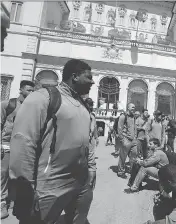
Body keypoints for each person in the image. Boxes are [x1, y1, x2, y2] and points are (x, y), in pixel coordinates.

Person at [9, 59, 96, 223]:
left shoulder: (82, 104)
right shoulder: (43, 98)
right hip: (49, 186)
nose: (92, 82)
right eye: (89, 77)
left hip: (80, 183)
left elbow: (87, 141)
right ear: (75, 76)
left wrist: (91, 168)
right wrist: (24, 189)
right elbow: (23, 141)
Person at [1, 80, 35, 219]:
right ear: (21, 90)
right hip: (6, 144)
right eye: (28, 90)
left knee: (19, 176)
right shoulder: (7, 105)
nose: (31, 93)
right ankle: (2, 203)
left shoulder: (32, 108)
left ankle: (16, 202)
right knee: (3, 174)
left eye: (33, 91)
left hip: (22, 147)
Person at [117, 103, 137, 179]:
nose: (133, 109)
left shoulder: (134, 117)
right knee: (123, 156)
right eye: (132, 107)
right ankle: (120, 171)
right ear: (128, 108)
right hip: (126, 139)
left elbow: (135, 127)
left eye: (134, 107)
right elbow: (119, 128)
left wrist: (135, 136)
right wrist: (122, 139)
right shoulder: (123, 117)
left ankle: (132, 170)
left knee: (134, 154)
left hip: (133, 140)